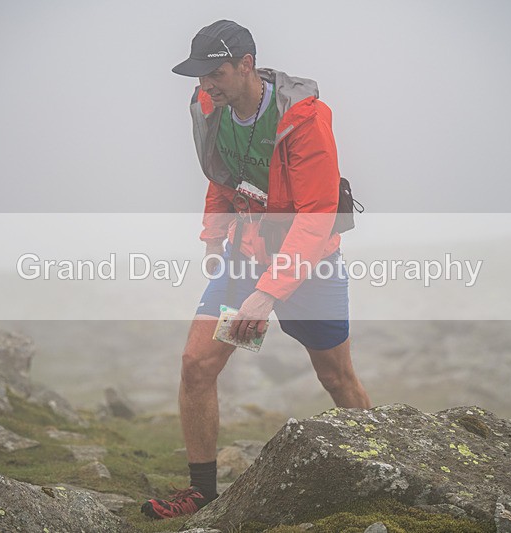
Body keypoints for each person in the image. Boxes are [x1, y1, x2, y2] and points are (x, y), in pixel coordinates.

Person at [141, 20, 371, 520]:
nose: (205, 85)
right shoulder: (212, 109)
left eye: (215, 72)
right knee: (197, 366)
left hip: (311, 266)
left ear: (247, 64)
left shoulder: (305, 120)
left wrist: (267, 296)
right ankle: (202, 492)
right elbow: (222, 174)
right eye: (199, 76)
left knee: (336, 377)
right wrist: (214, 236)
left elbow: (316, 217)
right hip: (245, 259)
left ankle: (385, 470)